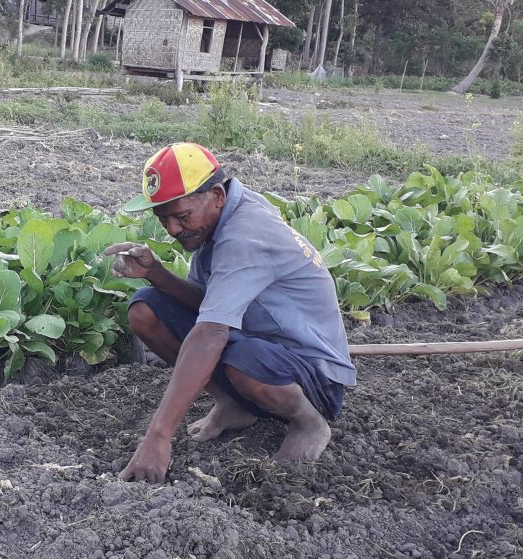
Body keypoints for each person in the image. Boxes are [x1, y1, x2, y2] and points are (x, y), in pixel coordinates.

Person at [104, 142, 356, 483]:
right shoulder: (219, 217)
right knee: (147, 308)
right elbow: (207, 304)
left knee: (241, 358)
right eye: (163, 218)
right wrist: (156, 273)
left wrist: (159, 436)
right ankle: (233, 404)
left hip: (313, 373)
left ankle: (307, 422)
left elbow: (210, 333)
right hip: (258, 344)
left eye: (182, 216)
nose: (173, 230)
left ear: (217, 196)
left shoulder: (243, 237)